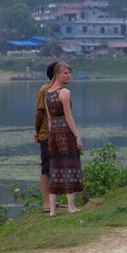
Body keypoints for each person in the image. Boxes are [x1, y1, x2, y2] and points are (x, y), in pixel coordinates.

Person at [45, 61, 84, 215]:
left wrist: (50, 136)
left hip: (54, 133)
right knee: (70, 166)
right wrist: (77, 136)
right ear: (57, 74)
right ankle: (71, 207)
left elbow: (49, 119)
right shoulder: (64, 92)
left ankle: (52, 210)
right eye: (65, 73)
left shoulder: (47, 93)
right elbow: (68, 117)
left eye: (69, 73)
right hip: (65, 133)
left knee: (55, 168)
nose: (68, 76)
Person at [33, 61, 59, 213]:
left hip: (60, 133)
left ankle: (56, 200)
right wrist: (36, 131)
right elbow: (39, 113)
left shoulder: (62, 90)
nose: (68, 75)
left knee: (59, 166)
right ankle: (46, 202)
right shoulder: (44, 90)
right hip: (47, 135)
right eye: (65, 72)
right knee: (46, 168)